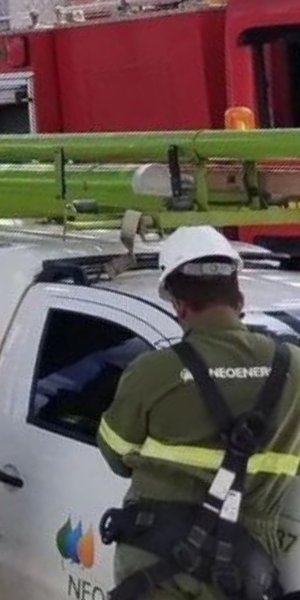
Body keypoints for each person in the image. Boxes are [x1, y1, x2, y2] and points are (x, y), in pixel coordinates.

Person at [97, 225, 300, 600]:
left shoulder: (153, 370)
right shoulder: (295, 366)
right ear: (239, 297)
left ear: (178, 304)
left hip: (157, 559)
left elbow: (115, 452)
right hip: (247, 563)